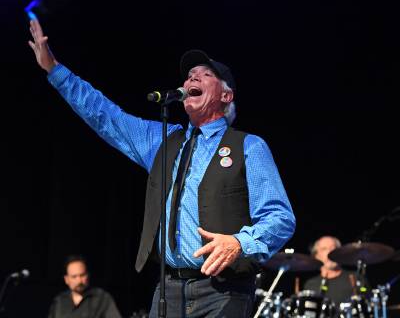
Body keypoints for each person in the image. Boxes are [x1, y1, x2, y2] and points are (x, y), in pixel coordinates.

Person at [29, 18, 296, 317]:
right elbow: (105, 115)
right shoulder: (164, 141)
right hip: (168, 289)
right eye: (189, 75)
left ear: (226, 95)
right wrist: (55, 69)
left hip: (224, 292)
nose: (192, 78)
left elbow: (280, 218)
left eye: (205, 74)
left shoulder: (249, 146)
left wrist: (239, 242)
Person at [48, 255, 122, 318]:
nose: (79, 280)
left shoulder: (102, 298)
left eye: (82, 275)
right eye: (74, 276)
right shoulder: (59, 301)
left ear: (88, 275)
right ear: (66, 279)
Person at [303, 236, 368, 306]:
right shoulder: (310, 285)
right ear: (316, 256)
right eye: (324, 249)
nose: (330, 251)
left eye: (333, 248)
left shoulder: (357, 279)